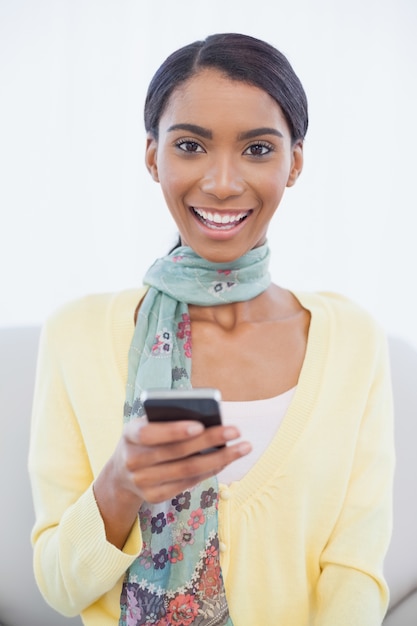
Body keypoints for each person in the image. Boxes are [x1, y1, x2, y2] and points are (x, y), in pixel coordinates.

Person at [28, 33, 395, 626]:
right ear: (153, 156)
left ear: (294, 162)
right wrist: (120, 485)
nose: (222, 183)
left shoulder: (352, 340)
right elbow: (57, 587)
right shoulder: (77, 333)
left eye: (256, 149)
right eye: (191, 145)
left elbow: (354, 567)